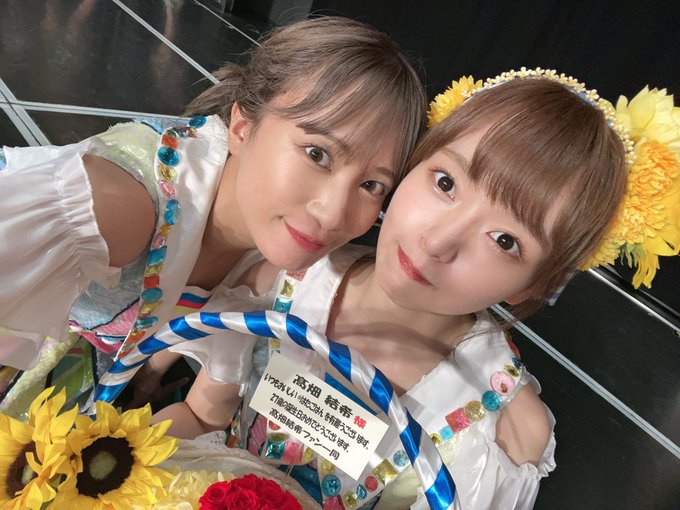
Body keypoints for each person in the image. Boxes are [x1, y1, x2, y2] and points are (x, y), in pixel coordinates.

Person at [157, 69, 679, 509]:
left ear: (538, 284)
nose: (437, 242)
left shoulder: (500, 432)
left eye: (505, 240)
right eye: (446, 183)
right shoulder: (284, 281)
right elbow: (202, 416)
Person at [0, 16, 427, 418]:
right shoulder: (121, 206)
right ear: (242, 127)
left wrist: (146, 380)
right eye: (317, 154)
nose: (334, 213)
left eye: (372, 185)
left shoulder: (276, 264)